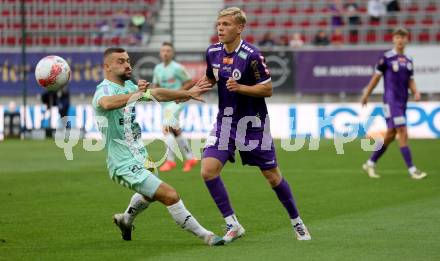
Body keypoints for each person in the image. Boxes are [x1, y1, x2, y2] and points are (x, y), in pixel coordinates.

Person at [196, 7, 311, 243]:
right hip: (225, 123)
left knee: (272, 176)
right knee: (208, 170)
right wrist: (194, 89)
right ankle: (232, 224)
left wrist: (242, 88)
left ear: (240, 28)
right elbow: (210, 76)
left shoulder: (252, 55)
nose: (220, 28)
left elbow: (267, 88)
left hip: (253, 125)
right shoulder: (212, 52)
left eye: (226, 24)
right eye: (219, 23)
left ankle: (296, 221)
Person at [92, 47, 224, 246]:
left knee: (148, 195)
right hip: (123, 162)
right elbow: (107, 104)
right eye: (120, 61)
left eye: (127, 60)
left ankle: (125, 220)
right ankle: (207, 236)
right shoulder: (105, 89)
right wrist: (137, 93)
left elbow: (158, 94)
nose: (127, 64)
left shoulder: (128, 86)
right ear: (107, 66)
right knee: (170, 195)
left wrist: (186, 93)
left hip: (140, 155)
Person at [361, 27, 427, 180]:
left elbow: (410, 79)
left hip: (403, 101)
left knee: (391, 134)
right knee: (402, 131)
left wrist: (415, 92)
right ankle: (412, 170)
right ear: (393, 39)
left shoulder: (409, 60)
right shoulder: (387, 58)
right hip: (391, 101)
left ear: (407, 40)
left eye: (403, 37)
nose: (401, 40)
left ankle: (370, 163)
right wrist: (366, 94)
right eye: (398, 37)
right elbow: (376, 78)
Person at [152, 42, 199, 172]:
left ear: (172, 53)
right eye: (163, 51)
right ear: (160, 53)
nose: (165, 53)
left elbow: (189, 82)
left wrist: (178, 94)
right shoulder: (158, 69)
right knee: (175, 130)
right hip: (165, 104)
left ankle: (170, 161)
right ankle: (190, 158)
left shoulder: (178, 68)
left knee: (166, 129)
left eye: (168, 51)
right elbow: (155, 86)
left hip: (176, 103)